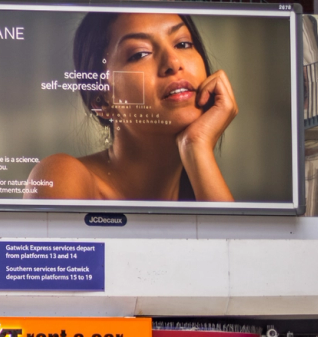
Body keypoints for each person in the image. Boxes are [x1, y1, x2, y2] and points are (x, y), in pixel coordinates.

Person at [25, 11, 237, 203]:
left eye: (183, 44)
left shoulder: (202, 189)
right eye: (140, 54)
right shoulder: (63, 177)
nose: (173, 63)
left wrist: (196, 146)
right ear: (102, 101)